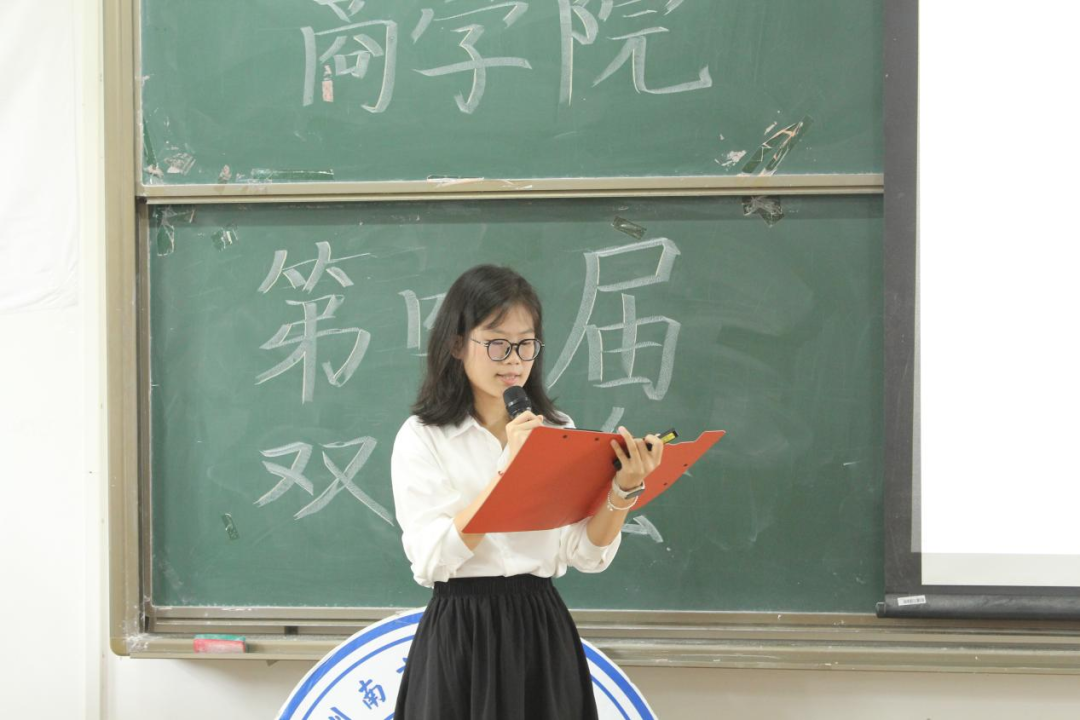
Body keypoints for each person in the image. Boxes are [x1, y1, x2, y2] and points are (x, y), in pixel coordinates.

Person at [390, 264, 664, 719]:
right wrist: (509, 471)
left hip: (540, 627)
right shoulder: (422, 437)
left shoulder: (557, 430)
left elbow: (584, 552)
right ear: (457, 344)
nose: (514, 359)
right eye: (497, 343)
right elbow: (431, 558)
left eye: (526, 344)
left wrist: (622, 489)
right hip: (461, 630)